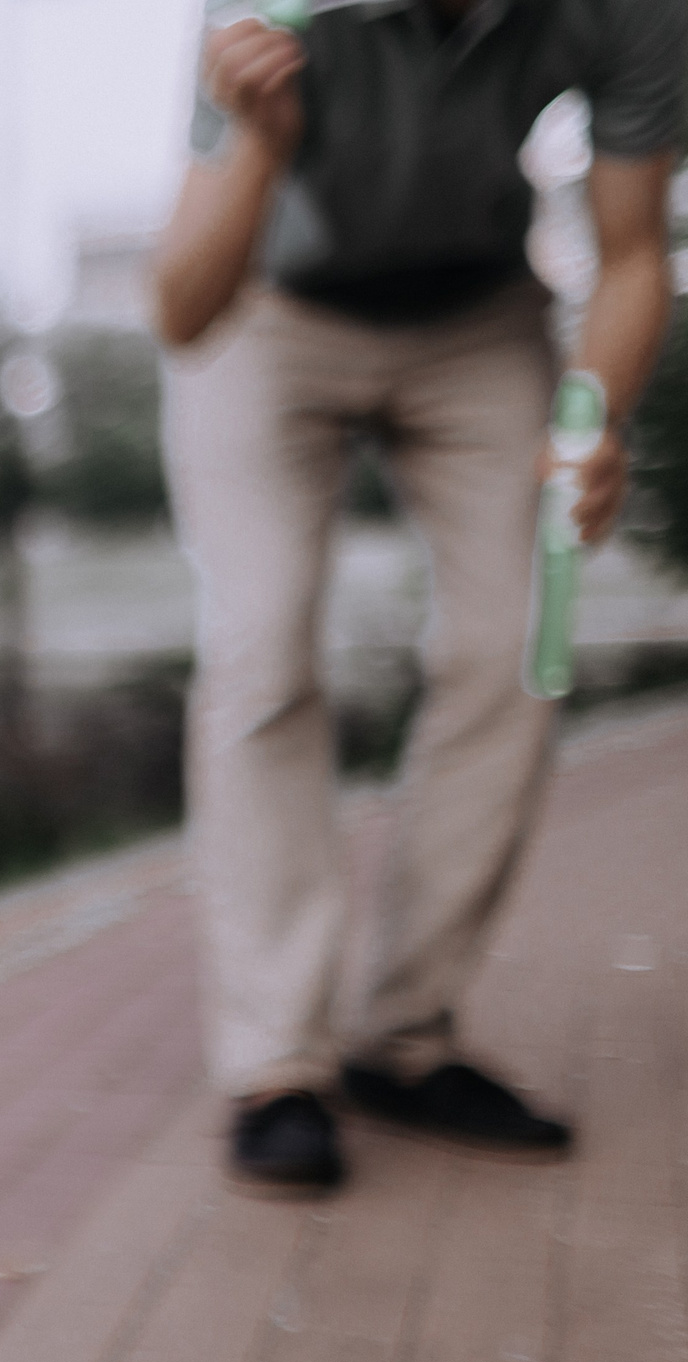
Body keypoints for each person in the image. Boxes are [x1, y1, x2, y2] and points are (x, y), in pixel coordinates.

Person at [150, 0, 680, 1192]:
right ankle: (276, 1065)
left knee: (518, 647)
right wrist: (261, 142)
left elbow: (632, 252)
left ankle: (406, 1038)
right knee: (261, 646)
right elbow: (181, 308)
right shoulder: (265, 11)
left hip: (478, 318)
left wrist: (591, 420)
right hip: (266, 317)